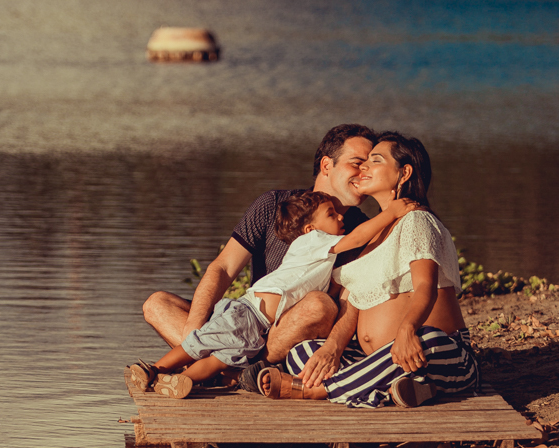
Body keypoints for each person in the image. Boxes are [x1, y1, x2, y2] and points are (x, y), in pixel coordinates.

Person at [258, 132, 480, 408]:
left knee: (426, 339)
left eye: (375, 160)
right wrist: (333, 348)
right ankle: (401, 390)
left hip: (439, 352)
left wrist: (407, 329)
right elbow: (353, 305)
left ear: (404, 173)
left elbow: (425, 286)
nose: (363, 167)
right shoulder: (372, 235)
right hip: (382, 358)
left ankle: (319, 391)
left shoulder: (417, 221)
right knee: (303, 353)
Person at [127, 191, 417, 399]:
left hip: (260, 325)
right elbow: (357, 238)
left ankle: (179, 382)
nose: (340, 217)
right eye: (332, 214)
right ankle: (155, 369)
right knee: (202, 343)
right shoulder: (315, 241)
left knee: (220, 358)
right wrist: (390, 213)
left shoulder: (323, 254)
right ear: (310, 228)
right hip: (249, 312)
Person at [141, 124, 377, 368]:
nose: (365, 174)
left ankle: (244, 369)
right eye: (357, 163)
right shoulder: (274, 205)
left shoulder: (364, 232)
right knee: (158, 304)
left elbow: (349, 305)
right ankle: (214, 364)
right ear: (327, 165)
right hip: (245, 322)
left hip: (288, 340)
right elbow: (223, 268)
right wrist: (193, 331)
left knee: (320, 305)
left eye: (370, 167)